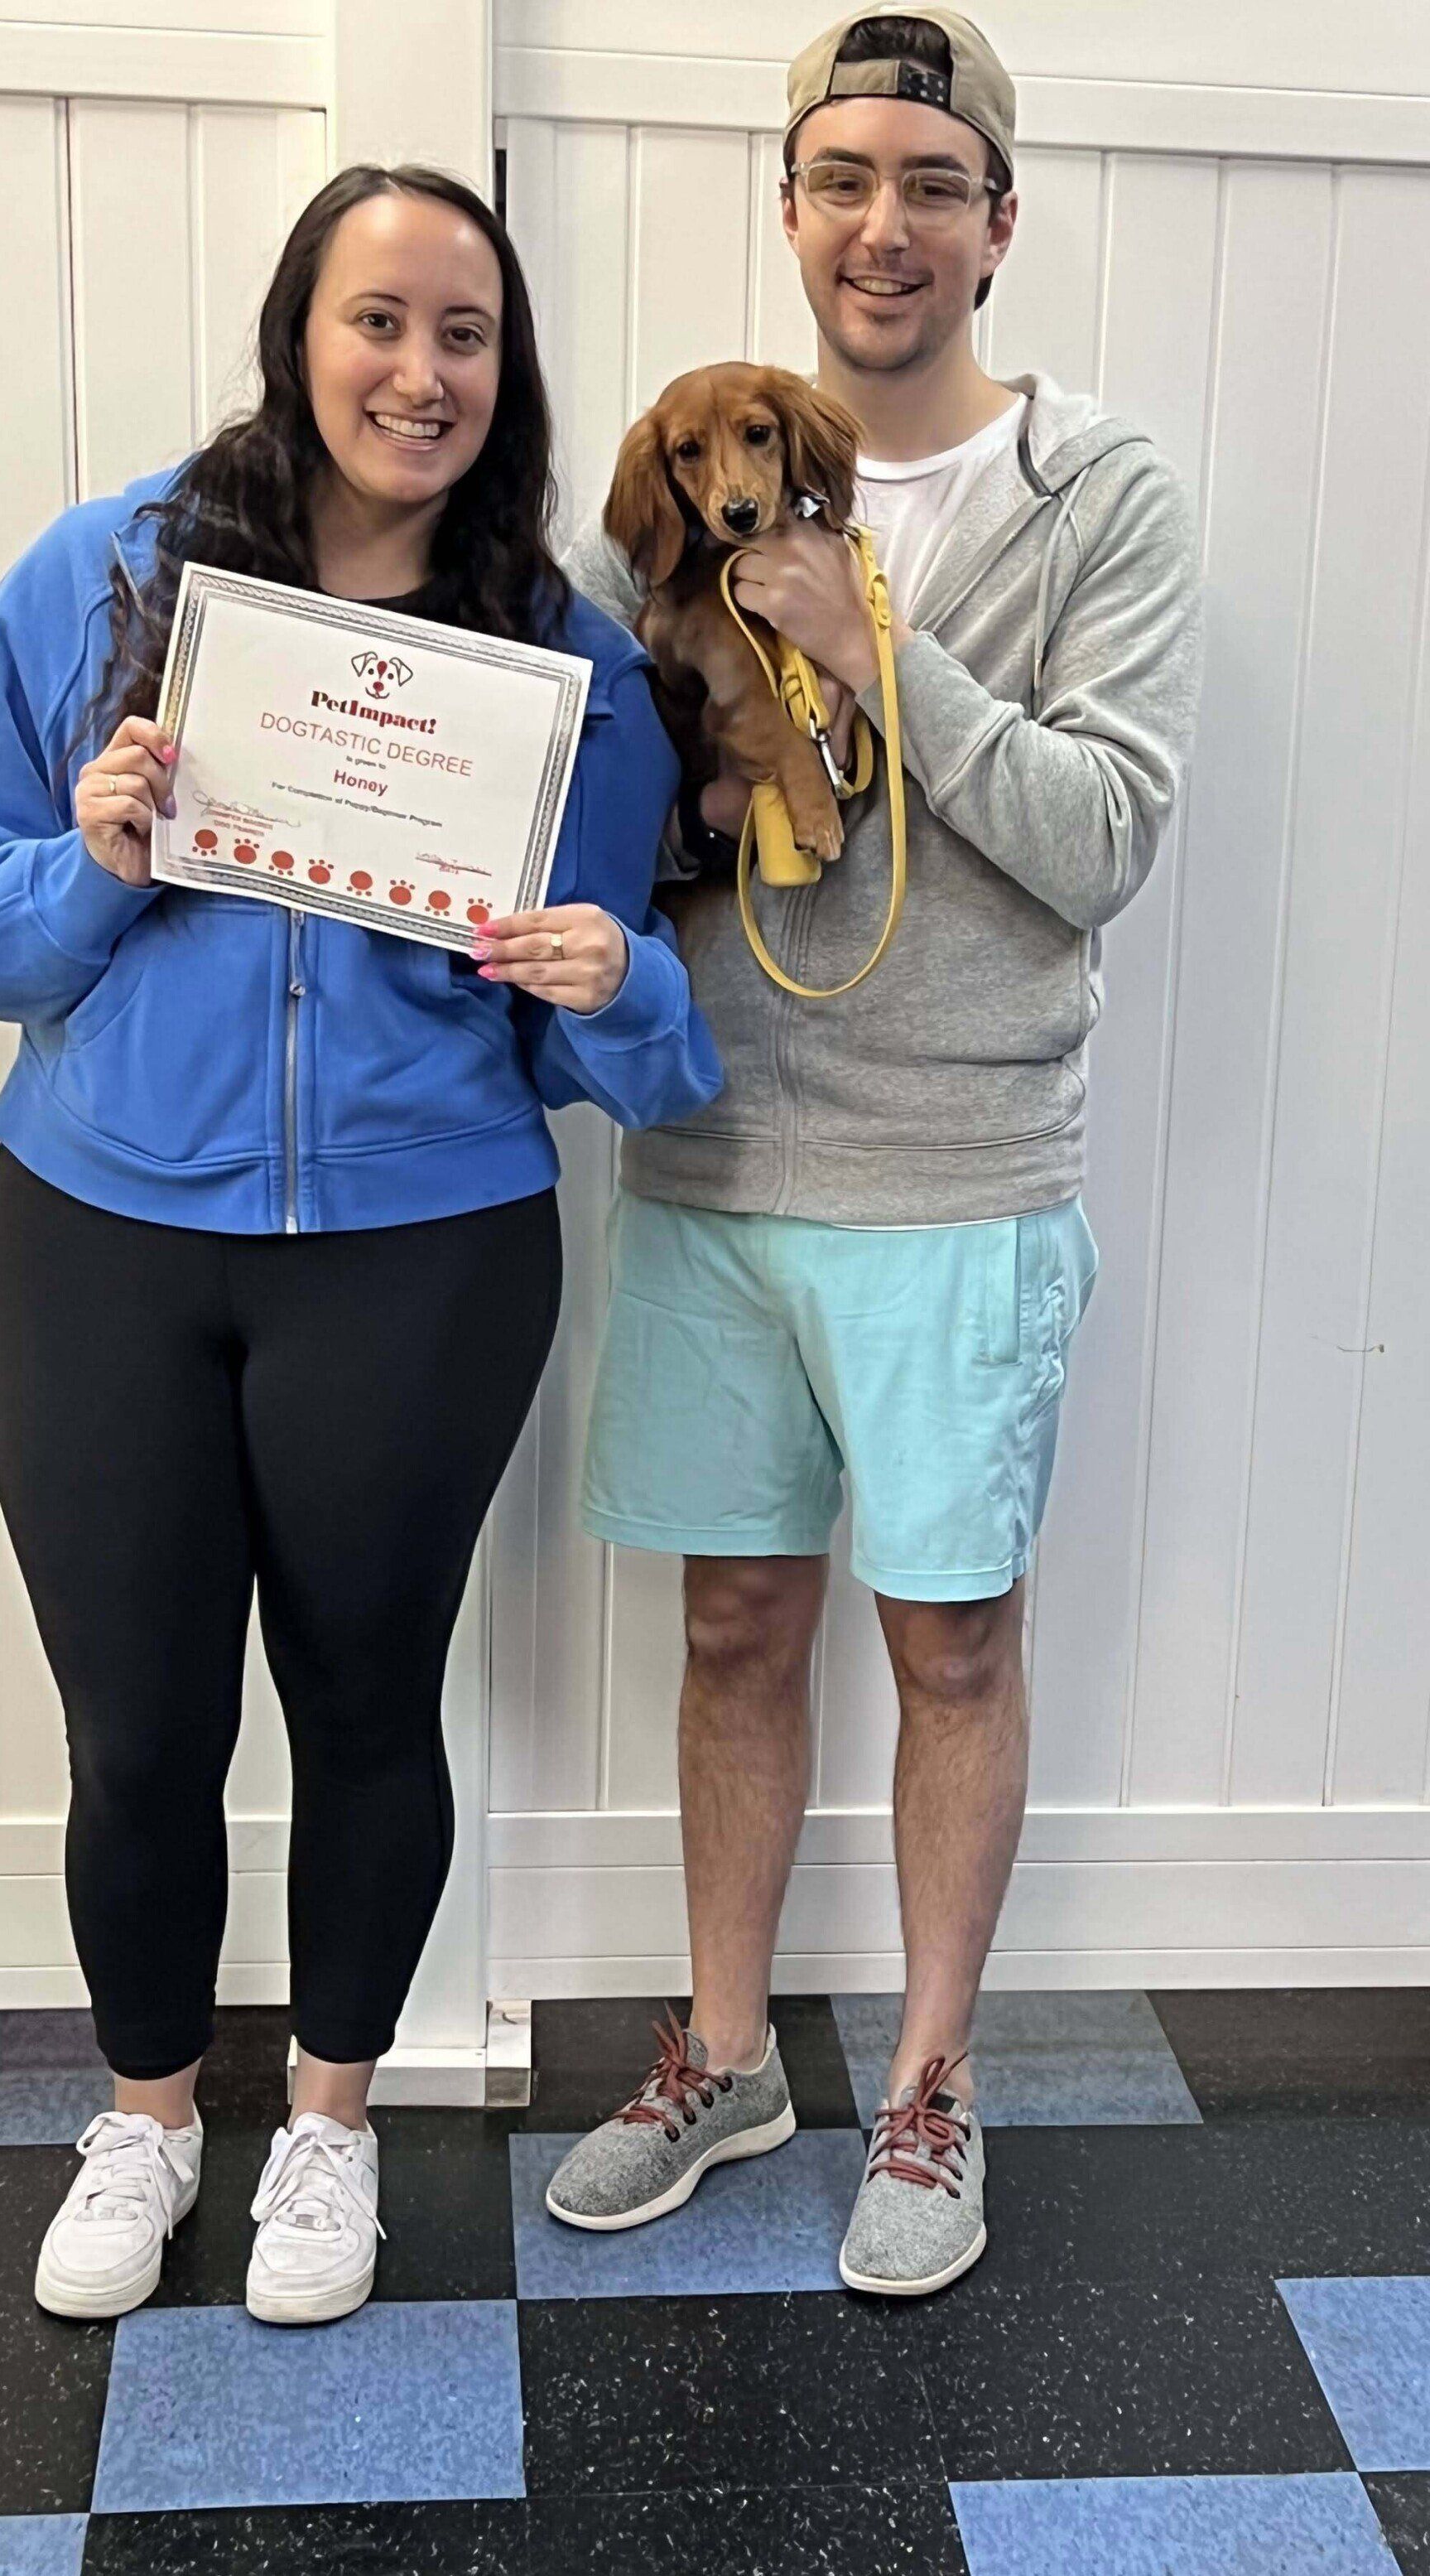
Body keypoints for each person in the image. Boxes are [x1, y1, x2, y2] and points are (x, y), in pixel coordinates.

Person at [0, 162, 721, 2328]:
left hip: (424, 1255)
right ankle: (152, 2117)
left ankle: (325, 2128)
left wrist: (606, 982)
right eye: (377, 321)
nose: (417, 371)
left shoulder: (565, 665)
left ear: (503, 374)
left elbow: (645, 1059)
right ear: (298, 331)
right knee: (137, 1736)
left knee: (364, 1708)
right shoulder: (110, 579)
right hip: (102, 1244)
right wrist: (93, 864)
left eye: (464, 333)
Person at [549, 7, 1203, 2294]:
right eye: (844, 177)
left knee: (949, 1645)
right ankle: (725, 2052)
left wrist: (871, 648)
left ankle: (927, 2089)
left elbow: (1104, 837)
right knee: (735, 1621)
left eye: (933, 181)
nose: (885, 220)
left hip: (953, 1174)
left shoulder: (1089, 494)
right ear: (795, 208)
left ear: (997, 222)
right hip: (720, 1160)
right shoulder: (669, 518)